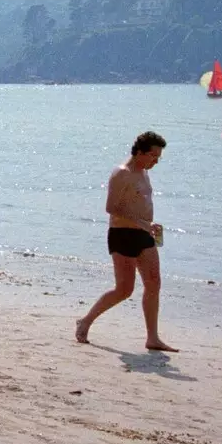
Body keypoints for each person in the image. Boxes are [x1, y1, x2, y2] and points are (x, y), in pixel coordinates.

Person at [76, 131, 177, 352]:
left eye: (158, 157)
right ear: (140, 152)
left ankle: (152, 337)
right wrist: (141, 223)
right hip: (122, 235)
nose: (156, 161)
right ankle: (86, 321)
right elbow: (111, 208)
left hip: (145, 234)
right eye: (153, 156)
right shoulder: (122, 173)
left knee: (154, 283)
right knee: (124, 289)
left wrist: (149, 225)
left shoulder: (144, 173)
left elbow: (139, 203)